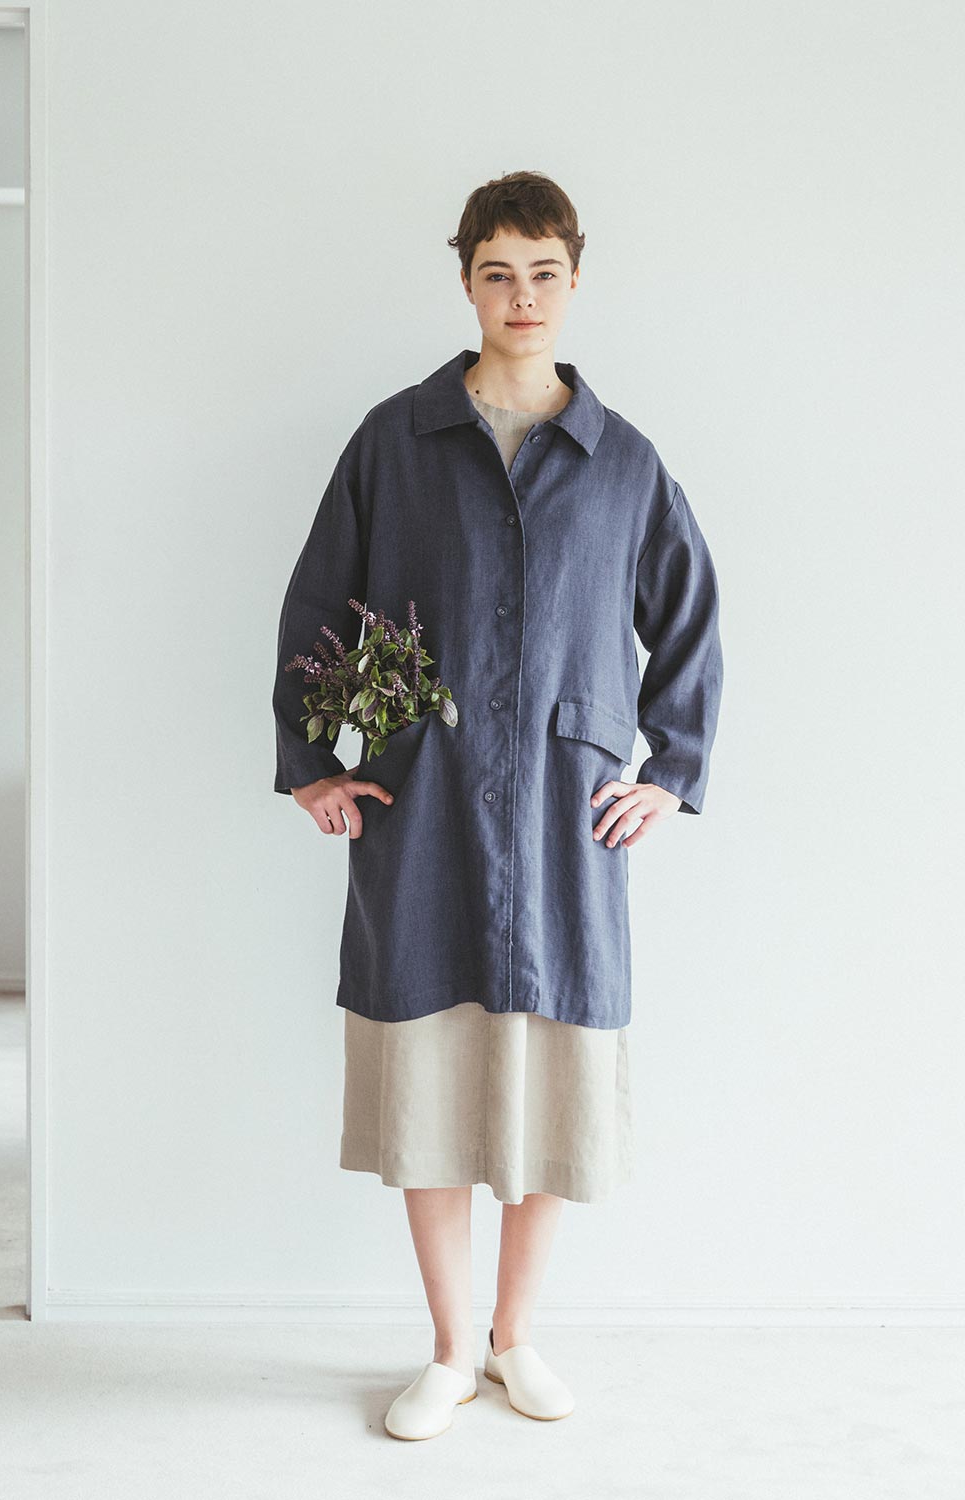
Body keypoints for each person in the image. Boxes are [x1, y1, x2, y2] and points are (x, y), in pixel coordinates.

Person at [272, 170, 724, 1440]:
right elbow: (316, 602)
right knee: (427, 1077)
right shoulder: (395, 441)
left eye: (543, 274)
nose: (521, 297)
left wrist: (669, 773)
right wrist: (312, 759)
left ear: (575, 279)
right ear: (465, 279)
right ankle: (444, 1350)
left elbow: (689, 620)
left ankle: (514, 1339)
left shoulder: (621, 462)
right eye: (496, 273)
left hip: (566, 819)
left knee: (547, 1084)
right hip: (421, 805)